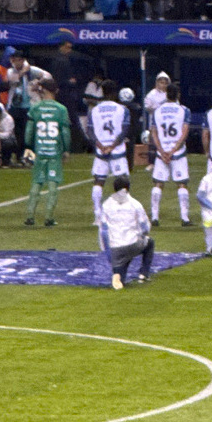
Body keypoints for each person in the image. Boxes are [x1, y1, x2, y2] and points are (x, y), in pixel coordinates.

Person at [24, 78, 72, 228]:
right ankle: (49, 217)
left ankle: (30, 216)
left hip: (40, 150)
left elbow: (29, 131)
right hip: (54, 151)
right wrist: (66, 149)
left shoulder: (35, 108)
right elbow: (65, 132)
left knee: (36, 182)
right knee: (53, 184)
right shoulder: (61, 109)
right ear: (56, 90)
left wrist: (29, 145)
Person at [147, 82, 192, 229]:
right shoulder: (184, 110)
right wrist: (173, 150)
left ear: (166, 94)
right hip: (178, 152)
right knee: (182, 184)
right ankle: (184, 218)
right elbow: (184, 132)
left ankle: (154, 217)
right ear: (178, 94)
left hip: (162, 153)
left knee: (158, 184)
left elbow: (154, 133)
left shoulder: (158, 111)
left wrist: (161, 151)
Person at [88, 86, 133, 224]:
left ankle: (97, 215)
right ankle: (122, 214)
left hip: (101, 151)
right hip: (117, 151)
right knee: (122, 182)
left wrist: (101, 146)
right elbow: (125, 130)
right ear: (115, 93)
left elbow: (90, 131)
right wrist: (112, 146)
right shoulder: (122, 109)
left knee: (98, 182)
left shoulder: (94, 110)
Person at [100, 176, 153, 290]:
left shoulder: (106, 205)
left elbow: (103, 230)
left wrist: (108, 252)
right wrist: (141, 236)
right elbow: (145, 227)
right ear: (128, 188)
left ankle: (118, 273)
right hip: (132, 244)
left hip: (115, 248)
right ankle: (144, 274)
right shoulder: (135, 203)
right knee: (150, 243)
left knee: (120, 276)